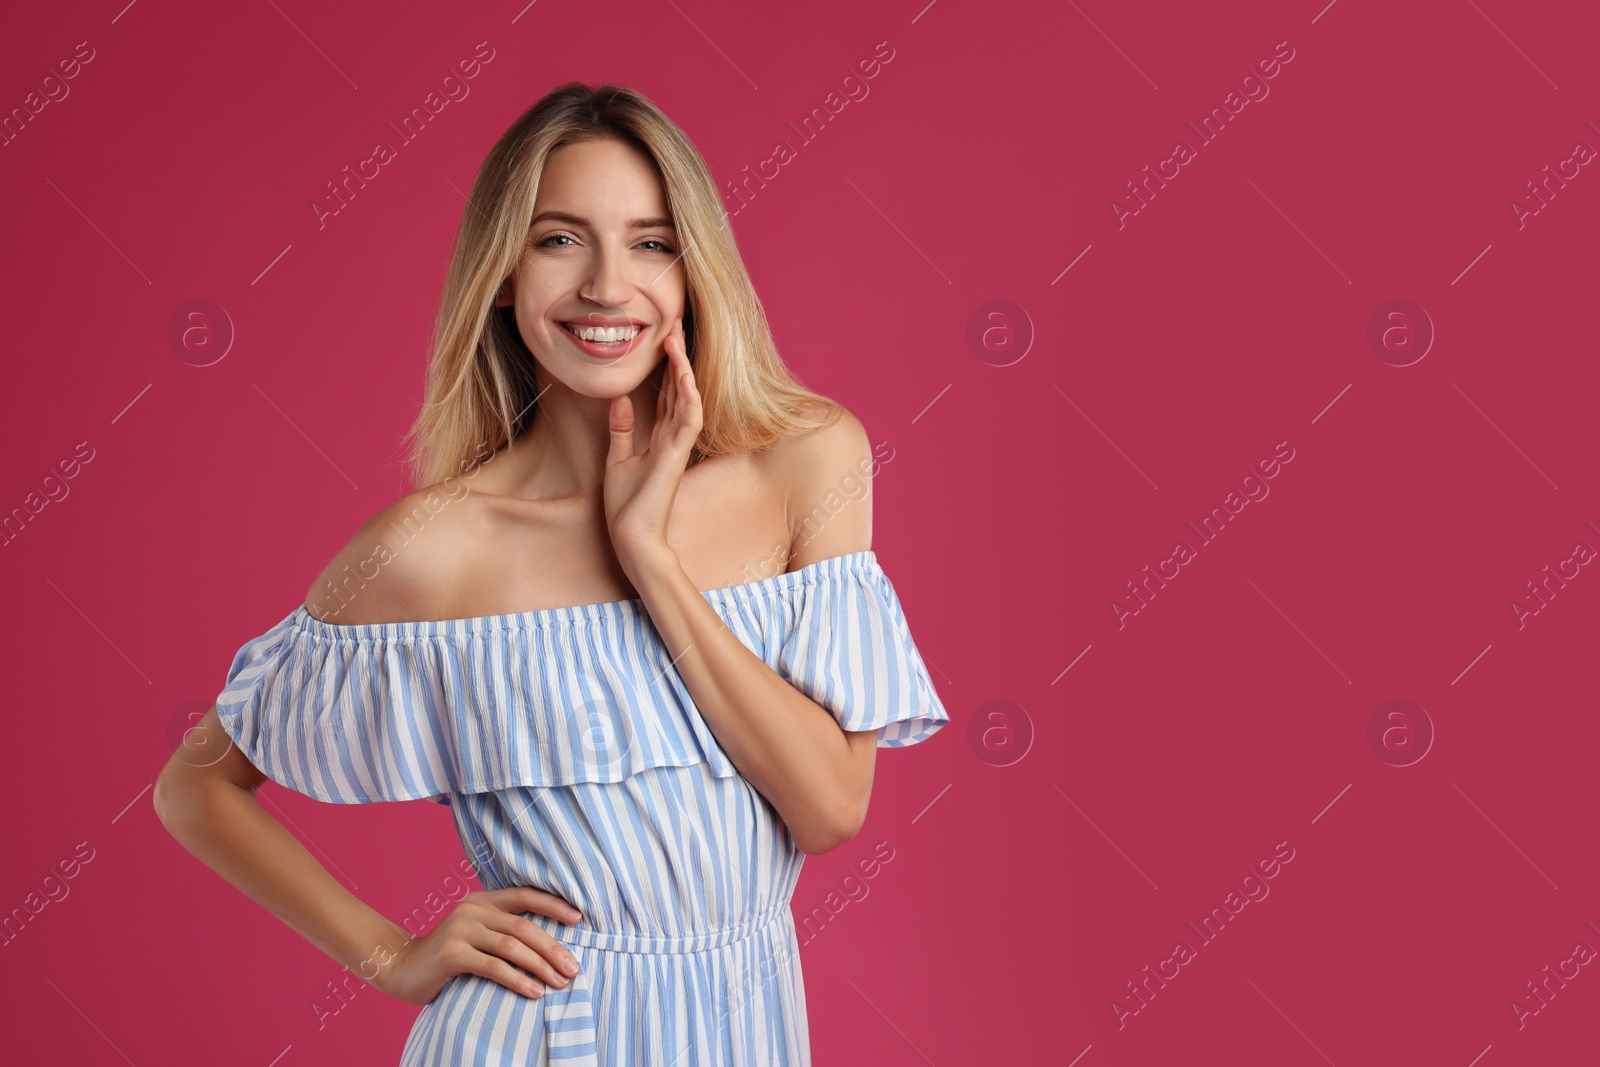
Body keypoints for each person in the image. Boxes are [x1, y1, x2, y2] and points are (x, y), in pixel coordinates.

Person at [155, 81, 948, 1066]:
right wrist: (395, 954)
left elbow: (829, 806)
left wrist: (648, 559)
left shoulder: (808, 461)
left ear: (695, 266)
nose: (608, 286)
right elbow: (195, 787)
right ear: (501, 272)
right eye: (560, 239)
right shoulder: (435, 546)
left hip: (750, 1021)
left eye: (652, 242)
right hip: (542, 1032)